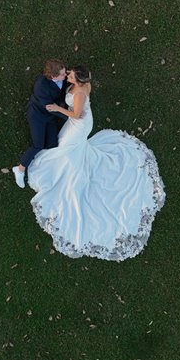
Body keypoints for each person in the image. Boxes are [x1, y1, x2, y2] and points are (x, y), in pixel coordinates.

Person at [27, 65, 165, 261]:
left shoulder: (81, 92)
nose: (68, 76)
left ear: (80, 81)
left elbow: (76, 114)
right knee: (65, 145)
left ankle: (69, 171)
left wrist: (57, 108)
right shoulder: (84, 84)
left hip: (79, 124)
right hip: (78, 122)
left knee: (68, 149)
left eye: (71, 75)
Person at [13, 59, 69, 188]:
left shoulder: (63, 77)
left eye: (65, 72)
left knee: (52, 145)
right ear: (54, 76)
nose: (65, 75)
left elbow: (62, 91)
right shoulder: (41, 86)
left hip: (50, 116)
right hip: (38, 115)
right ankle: (20, 169)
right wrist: (69, 117)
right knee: (38, 145)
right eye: (62, 74)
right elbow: (50, 107)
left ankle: (44, 168)